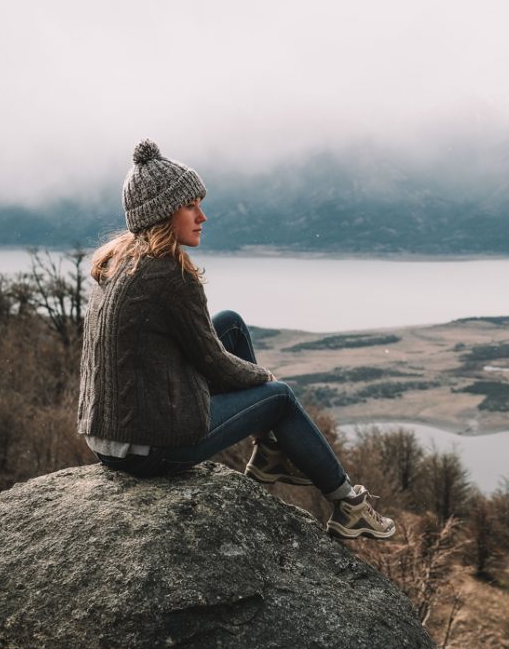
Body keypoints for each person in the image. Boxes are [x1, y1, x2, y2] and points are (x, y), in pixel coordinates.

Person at [77, 139, 395, 540]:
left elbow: (199, 347)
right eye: (191, 205)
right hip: (149, 448)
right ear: (163, 213)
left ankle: (268, 453)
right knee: (278, 397)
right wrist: (263, 379)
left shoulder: (121, 261)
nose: (203, 216)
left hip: (110, 437)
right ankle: (350, 505)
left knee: (230, 324)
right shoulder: (167, 275)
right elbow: (211, 361)